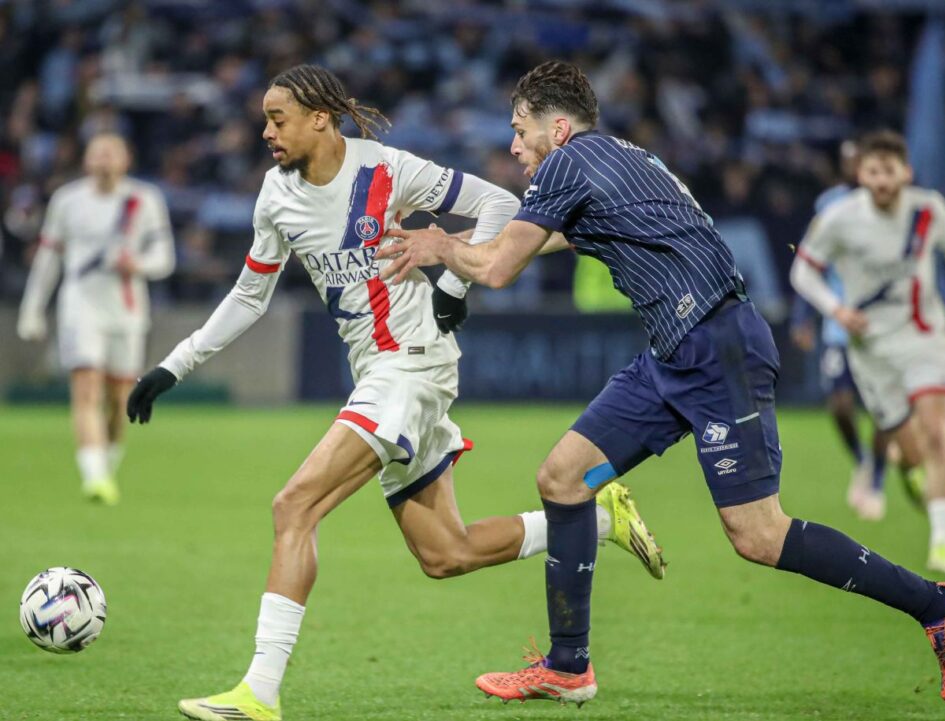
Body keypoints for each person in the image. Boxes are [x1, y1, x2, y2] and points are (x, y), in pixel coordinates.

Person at [379, 61, 945, 707]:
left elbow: (497, 269)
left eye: (521, 130)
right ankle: (568, 665)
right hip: (677, 349)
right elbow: (531, 243)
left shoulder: (570, 162)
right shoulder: (618, 160)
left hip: (717, 347)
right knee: (563, 476)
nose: (515, 146)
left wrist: (441, 246)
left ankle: (937, 603)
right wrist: (441, 242)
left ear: (558, 127)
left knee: (758, 534)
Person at [124, 64, 665, 721]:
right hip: (381, 374)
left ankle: (257, 692)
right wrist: (173, 367)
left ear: (320, 118)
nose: (266, 131)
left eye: (277, 118)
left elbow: (498, 203)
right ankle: (597, 519)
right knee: (446, 552)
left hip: (409, 367)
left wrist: (451, 286)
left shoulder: (386, 169)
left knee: (294, 505)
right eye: (265, 119)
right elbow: (249, 293)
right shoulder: (275, 196)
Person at [791, 130, 945, 574]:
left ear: (906, 172)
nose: (881, 180)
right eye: (873, 171)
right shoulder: (839, 217)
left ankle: (941, 546)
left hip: (924, 336)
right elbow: (804, 271)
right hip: (870, 348)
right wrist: (835, 310)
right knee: (905, 443)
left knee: (937, 431)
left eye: (889, 171)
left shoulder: (927, 208)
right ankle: (904, 471)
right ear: (861, 173)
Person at [17, 132, 175, 505]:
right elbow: (49, 257)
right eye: (97, 153)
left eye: (111, 153)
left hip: (126, 307)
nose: (104, 160)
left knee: (120, 398)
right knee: (86, 386)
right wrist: (33, 308)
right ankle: (95, 477)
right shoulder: (67, 200)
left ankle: (106, 463)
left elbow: (165, 257)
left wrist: (138, 264)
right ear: (86, 160)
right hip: (80, 305)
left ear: (126, 160)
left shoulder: (145, 200)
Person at [789, 139, 925, 520]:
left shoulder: (895, 204)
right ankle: (863, 460)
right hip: (839, 322)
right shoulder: (829, 204)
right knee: (840, 405)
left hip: (882, 324)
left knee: (883, 409)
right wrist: (803, 316)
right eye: (847, 160)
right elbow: (810, 258)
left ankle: (878, 480)